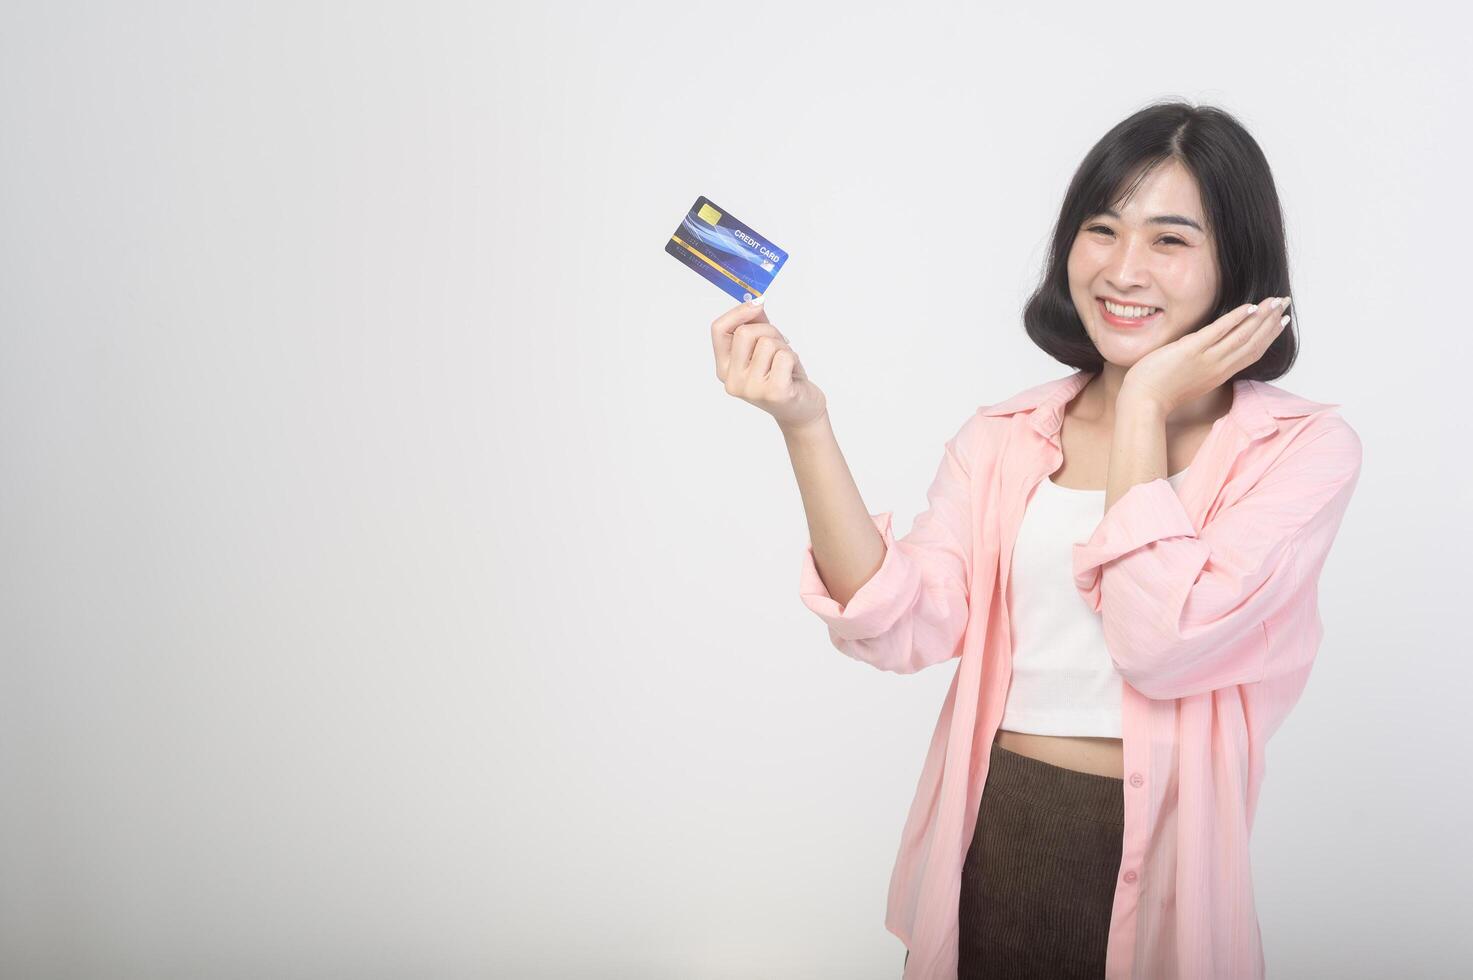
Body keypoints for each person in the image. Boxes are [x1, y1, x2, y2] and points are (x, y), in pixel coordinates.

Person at [709, 100, 1363, 979]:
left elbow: (1160, 646)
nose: (1124, 269)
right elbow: (901, 626)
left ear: (1232, 263)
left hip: (1166, 860)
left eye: (1169, 240)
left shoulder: (1298, 451)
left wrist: (1141, 406)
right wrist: (804, 424)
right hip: (994, 833)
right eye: (1102, 230)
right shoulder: (1005, 436)